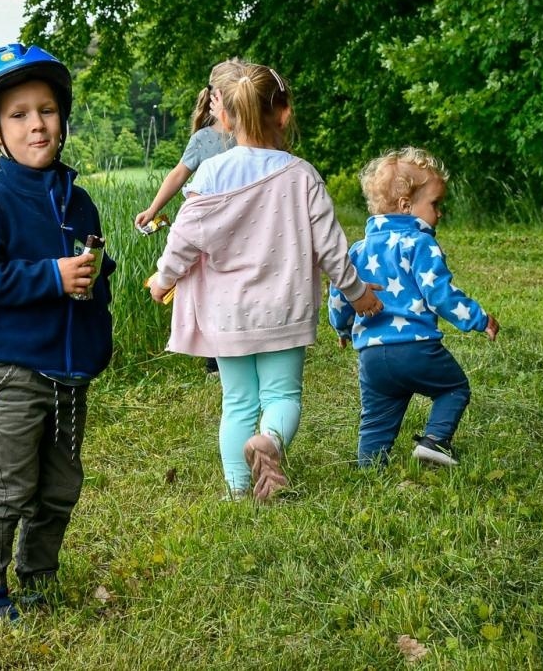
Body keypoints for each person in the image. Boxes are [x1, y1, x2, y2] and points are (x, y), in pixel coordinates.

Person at [149, 61, 383, 501]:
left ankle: (238, 493)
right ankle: (270, 441)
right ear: (285, 113)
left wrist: (164, 279)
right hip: (285, 309)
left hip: (228, 314)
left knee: (237, 402)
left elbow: (184, 237)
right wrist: (358, 294)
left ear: (226, 117)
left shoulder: (212, 174)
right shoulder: (302, 175)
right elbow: (332, 249)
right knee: (283, 395)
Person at [0, 42, 116, 618]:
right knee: (9, 488)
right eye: (18, 115)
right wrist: (52, 275)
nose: (36, 124)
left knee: (59, 488)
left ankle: (39, 578)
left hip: (70, 373)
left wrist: (94, 277)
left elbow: (88, 276)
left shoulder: (79, 201)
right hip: (13, 373)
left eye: (46, 110)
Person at [328, 148, 497, 468]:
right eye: (434, 204)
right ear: (406, 206)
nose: (440, 213)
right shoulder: (420, 244)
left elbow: (340, 292)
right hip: (417, 349)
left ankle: (369, 470)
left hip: (372, 357)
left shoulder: (359, 249)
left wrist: (341, 327)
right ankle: (434, 441)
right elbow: (440, 295)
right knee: (454, 389)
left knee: (376, 419)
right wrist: (478, 318)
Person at [135, 59, 242, 376]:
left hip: (244, 227)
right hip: (210, 231)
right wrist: (153, 209)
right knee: (211, 293)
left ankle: (247, 346)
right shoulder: (203, 140)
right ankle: (214, 362)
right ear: (217, 98)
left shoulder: (251, 135)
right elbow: (179, 174)